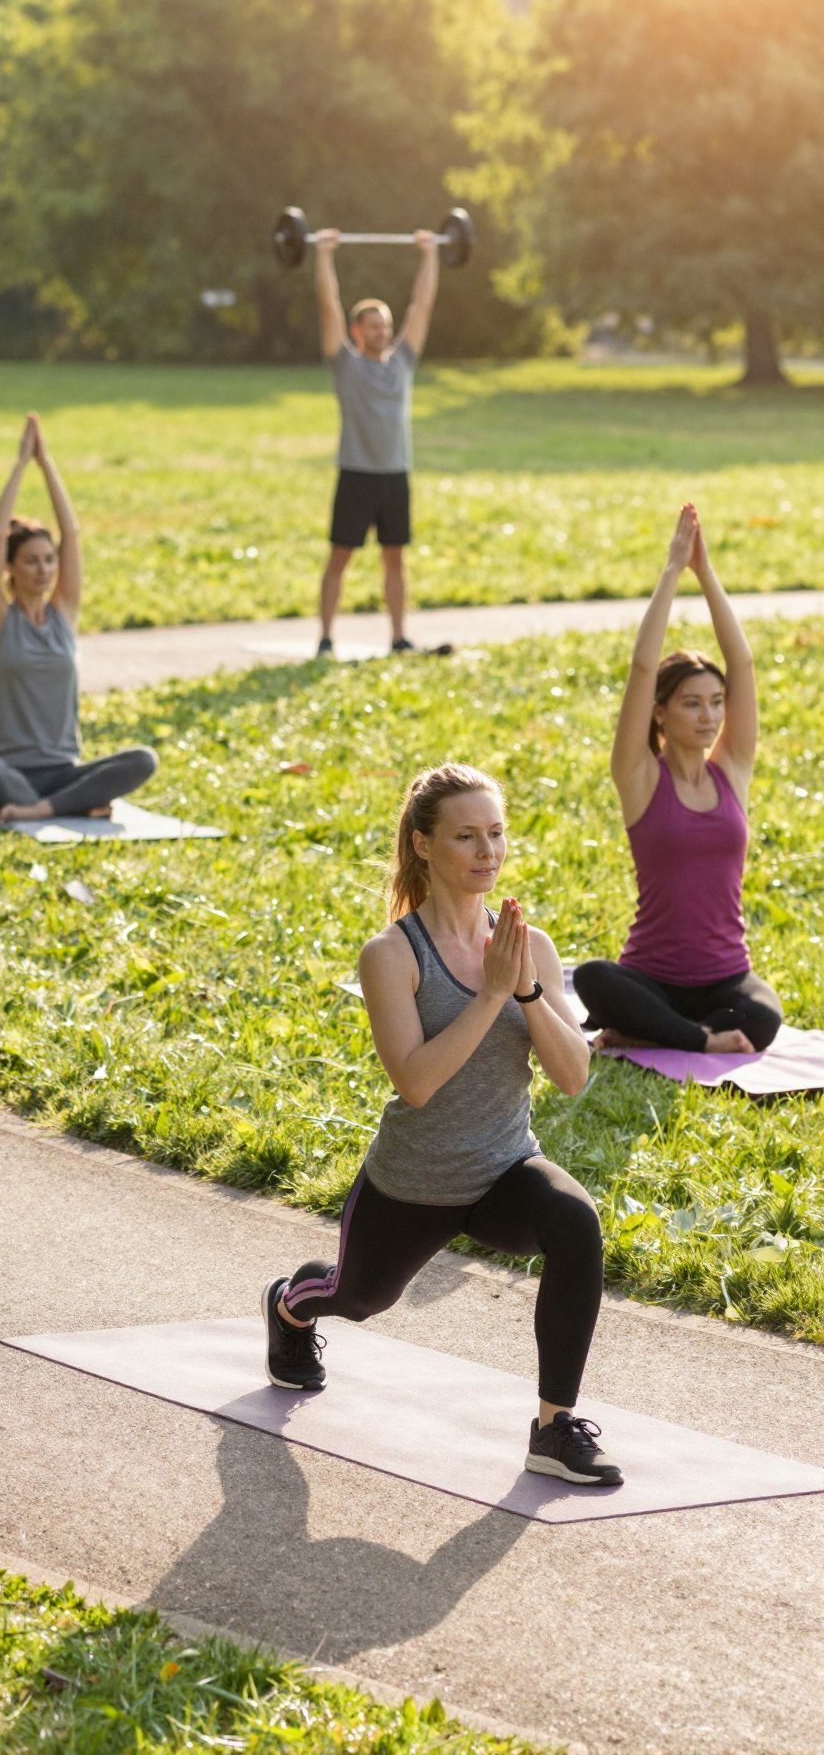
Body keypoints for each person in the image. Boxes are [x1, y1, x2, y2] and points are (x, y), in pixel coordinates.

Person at [261, 763, 622, 1487]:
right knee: (357, 1297)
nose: (487, 851)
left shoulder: (533, 948)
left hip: (502, 1168)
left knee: (576, 1223)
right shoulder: (391, 956)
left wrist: (524, 989)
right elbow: (417, 1084)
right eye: (466, 836)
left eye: (496, 833)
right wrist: (492, 995)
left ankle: (554, 1430)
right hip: (414, 1181)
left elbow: (574, 1077)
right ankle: (288, 1307)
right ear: (423, 845)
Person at [575, 503, 780, 1057]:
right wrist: (671, 571)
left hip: (724, 979)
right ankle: (696, 1040)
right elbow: (643, 669)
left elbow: (742, 664)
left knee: (763, 1016)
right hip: (652, 978)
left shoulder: (731, 771)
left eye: (715, 703)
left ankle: (650, 1033)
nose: (710, 715)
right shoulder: (639, 777)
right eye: (692, 704)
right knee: (593, 978)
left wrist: (706, 574)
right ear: (661, 713)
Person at [0, 412, 158, 824]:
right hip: (8, 772)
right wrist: (20, 464)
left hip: (64, 771)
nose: (44, 569)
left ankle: (40, 810)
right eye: (31, 561)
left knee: (143, 759)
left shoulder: (64, 613)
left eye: (49, 560)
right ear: (10, 569)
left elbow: (71, 533)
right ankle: (75, 806)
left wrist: (47, 463)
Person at [312, 228, 449, 657]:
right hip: (356, 473)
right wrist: (323, 256)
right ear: (357, 331)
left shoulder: (403, 363)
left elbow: (421, 306)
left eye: (386, 325)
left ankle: (398, 638)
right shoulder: (345, 365)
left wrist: (430, 255)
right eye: (374, 326)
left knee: (395, 559)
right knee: (340, 559)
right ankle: (326, 639)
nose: (383, 331)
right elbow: (327, 306)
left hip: (395, 474)